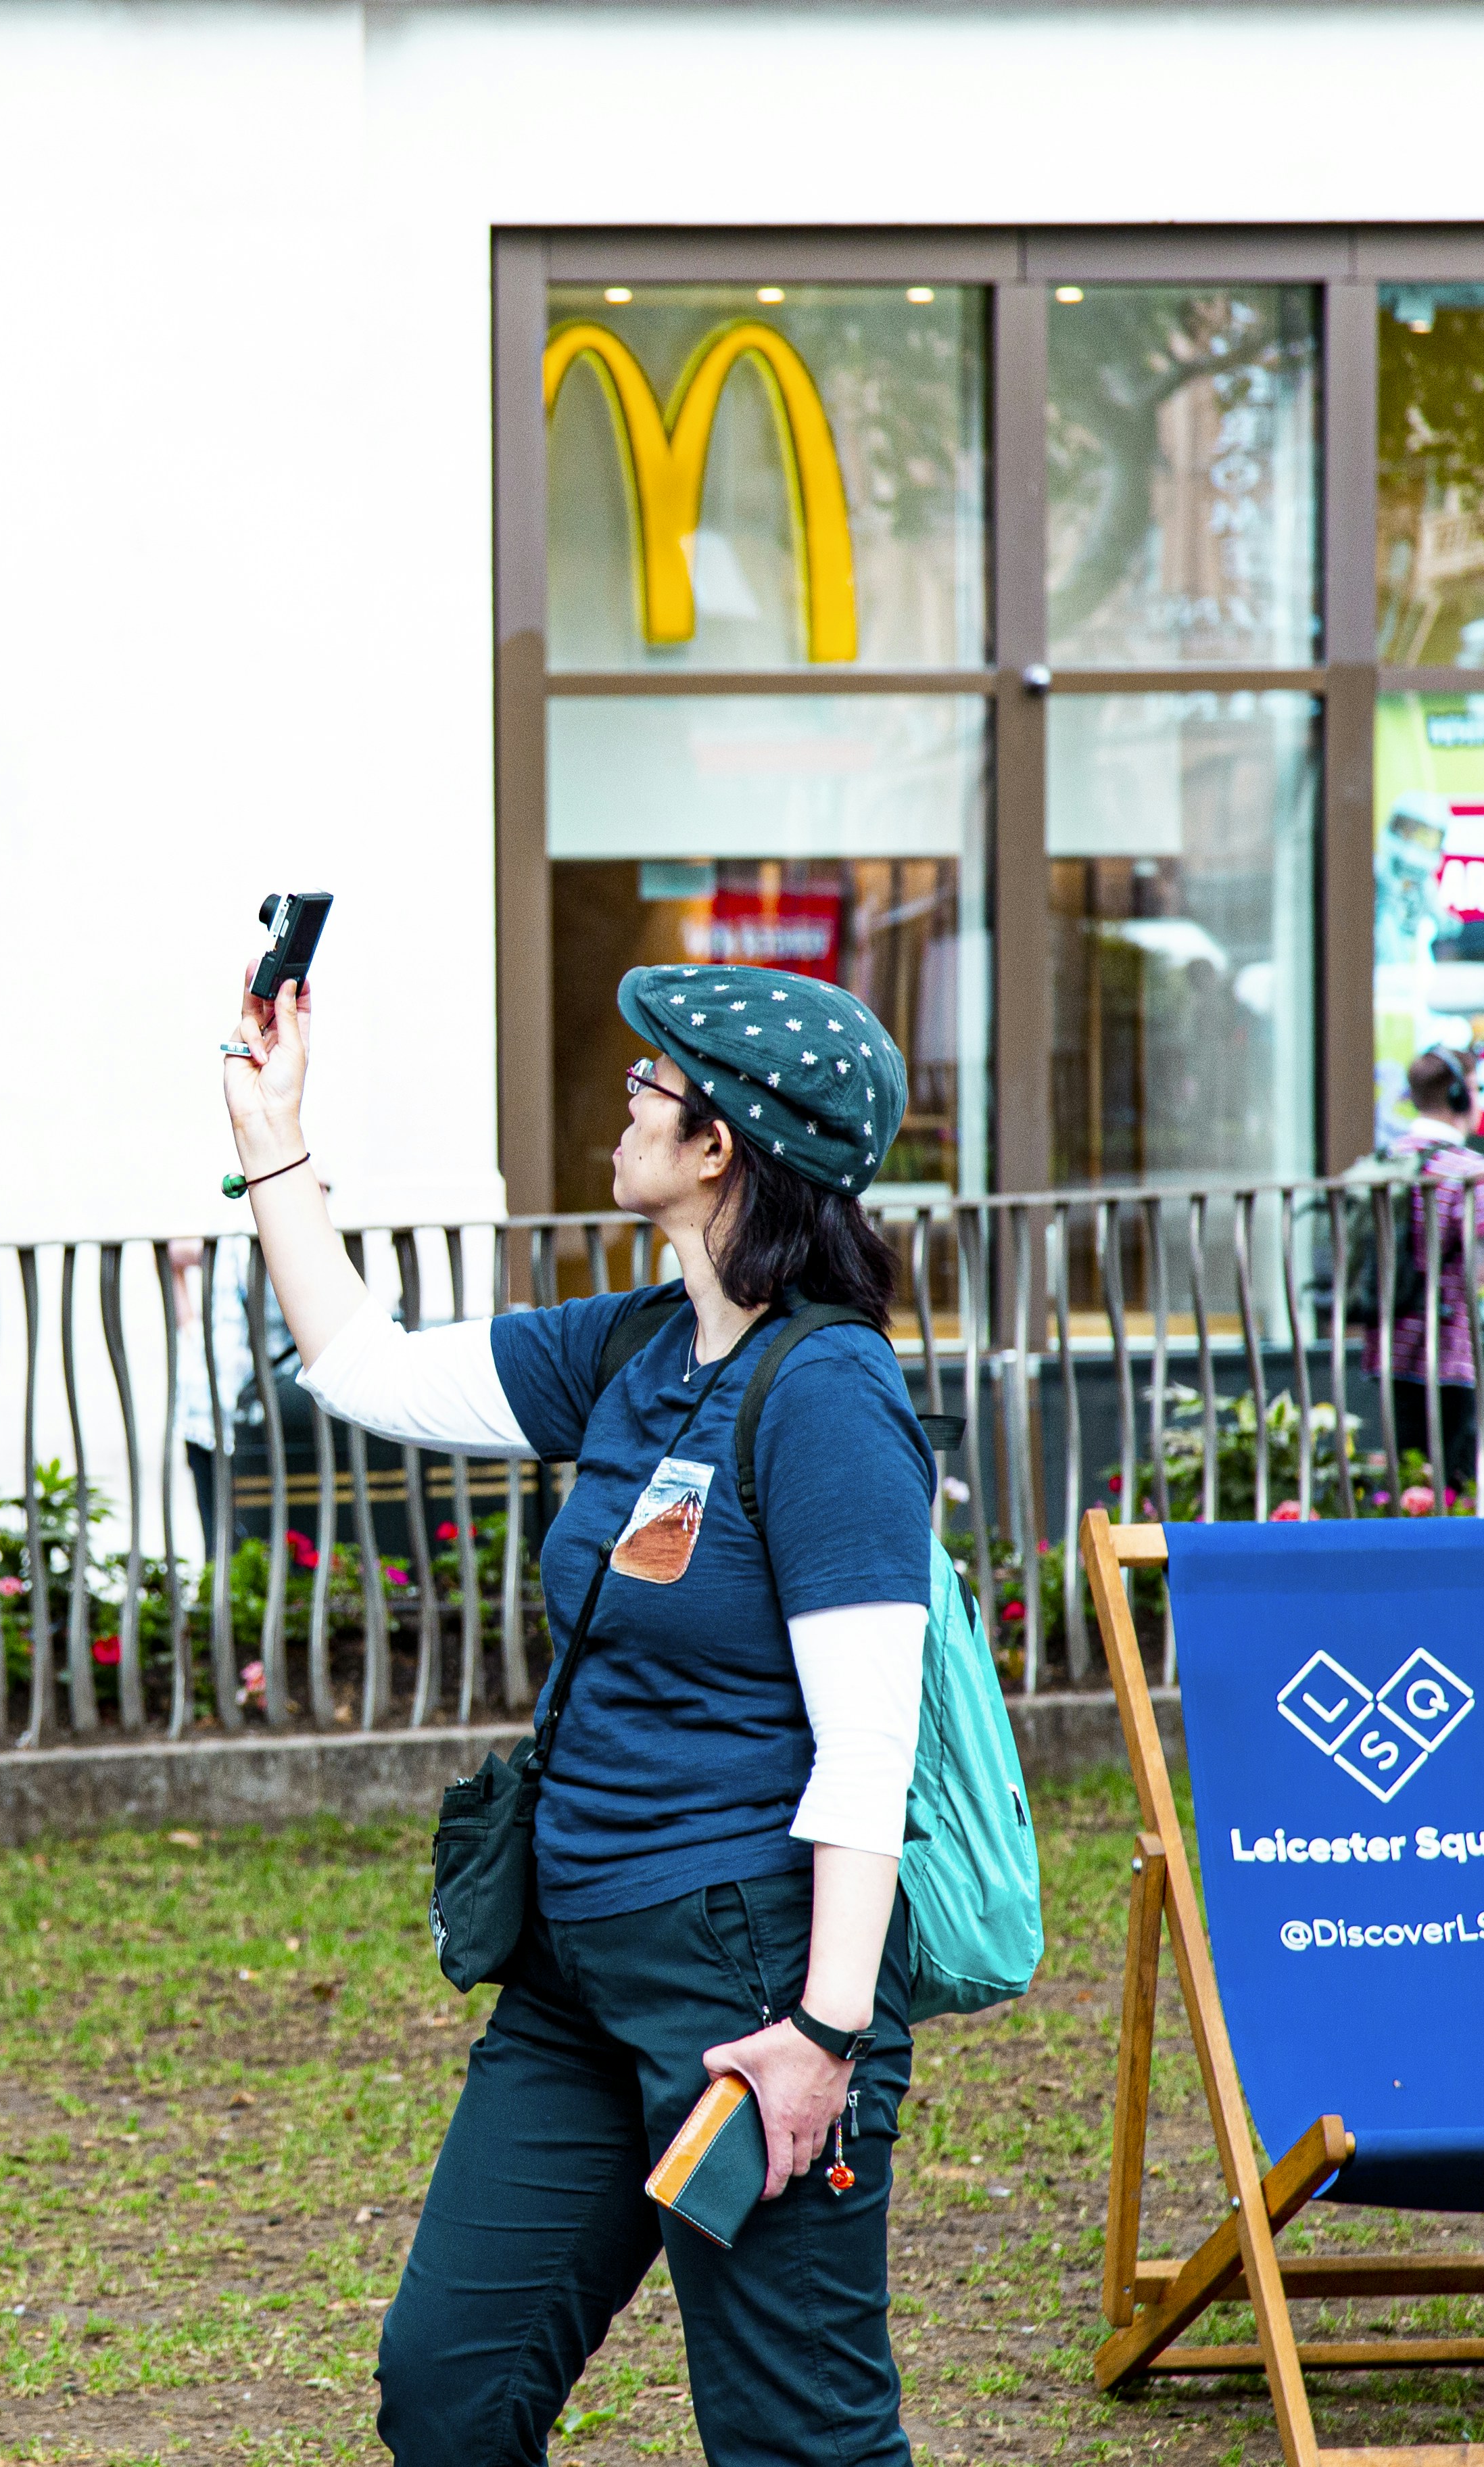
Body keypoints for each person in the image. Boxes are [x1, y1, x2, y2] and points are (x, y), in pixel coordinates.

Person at [217, 960, 932, 2467]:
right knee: (450, 2395)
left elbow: (872, 1748)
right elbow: (363, 1366)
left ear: (719, 1144)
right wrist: (274, 1138)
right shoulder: (637, 1347)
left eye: (648, 1081)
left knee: (798, 2438)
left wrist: (822, 2033)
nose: (625, 1099)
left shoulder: (829, 1399)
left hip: (750, 1990)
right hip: (574, 1970)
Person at [1378, 1046, 1484, 1490]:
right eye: (1476, 1089)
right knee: (1454, 1489)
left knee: (1404, 1486)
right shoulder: (1469, 1169)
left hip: (1387, 1348)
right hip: (1448, 1353)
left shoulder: (1385, 1160)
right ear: (1459, 1096)